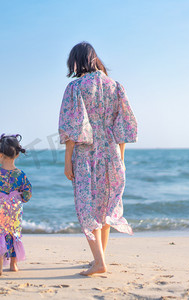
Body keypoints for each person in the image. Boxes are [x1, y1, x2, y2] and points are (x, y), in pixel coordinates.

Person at [58, 42, 137, 276]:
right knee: (104, 207)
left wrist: (67, 159)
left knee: (87, 208)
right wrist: (120, 158)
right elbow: (123, 124)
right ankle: (99, 259)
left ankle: (99, 262)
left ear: (77, 61)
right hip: (111, 152)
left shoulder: (76, 88)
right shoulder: (116, 87)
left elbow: (73, 127)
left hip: (86, 153)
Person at [0, 134, 32, 276]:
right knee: (14, 233)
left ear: (0, 155)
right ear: (17, 155)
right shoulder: (21, 175)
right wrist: (22, 198)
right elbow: (28, 191)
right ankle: (13, 264)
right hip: (14, 208)